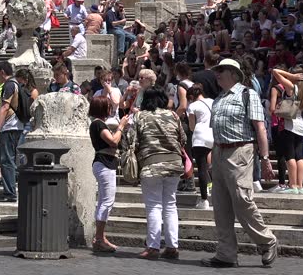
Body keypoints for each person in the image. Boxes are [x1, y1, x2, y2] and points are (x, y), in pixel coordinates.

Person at [202, 59, 277, 268]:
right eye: (216, 70)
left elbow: (260, 128)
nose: (217, 74)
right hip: (219, 151)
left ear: (234, 73)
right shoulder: (218, 99)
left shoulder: (247, 94)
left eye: (221, 70)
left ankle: (267, 241)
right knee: (221, 204)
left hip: (240, 150)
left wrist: (265, 158)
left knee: (242, 199)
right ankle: (226, 253)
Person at [133, 86, 186, 260]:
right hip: (174, 163)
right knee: (170, 204)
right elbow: (183, 139)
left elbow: (132, 140)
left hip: (151, 164)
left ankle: (153, 247)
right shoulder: (173, 115)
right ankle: (172, 246)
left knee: (154, 206)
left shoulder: (141, 116)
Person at [89, 95, 128, 252]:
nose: (111, 108)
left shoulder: (99, 123)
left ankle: (100, 236)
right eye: (108, 106)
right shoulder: (98, 124)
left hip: (106, 163)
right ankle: (99, 238)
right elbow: (113, 141)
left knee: (105, 201)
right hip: (104, 164)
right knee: (106, 201)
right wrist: (121, 126)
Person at [271, 67, 303, 194]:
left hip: (290, 125)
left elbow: (275, 71)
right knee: (299, 156)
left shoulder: (292, 87)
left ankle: (292, 185)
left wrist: (291, 76)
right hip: (300, 125)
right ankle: (300, 186)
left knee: (290, 156)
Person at [0, 62, 23, 202]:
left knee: (7, 159)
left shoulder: (10, 85)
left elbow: (4, 107)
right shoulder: (14, 84)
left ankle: (10, 193)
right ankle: (13, 174)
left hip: (10, 126)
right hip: (13, 126)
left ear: (2, 72)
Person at [186, 84, 214, 209]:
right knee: (213, 166)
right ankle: (216, 193)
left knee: (202, 168)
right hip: (213, 134)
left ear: (191, 96)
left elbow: (192, 126)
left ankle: (204, 199)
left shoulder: (193, 106)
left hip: (200, 136)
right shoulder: (213, 102)